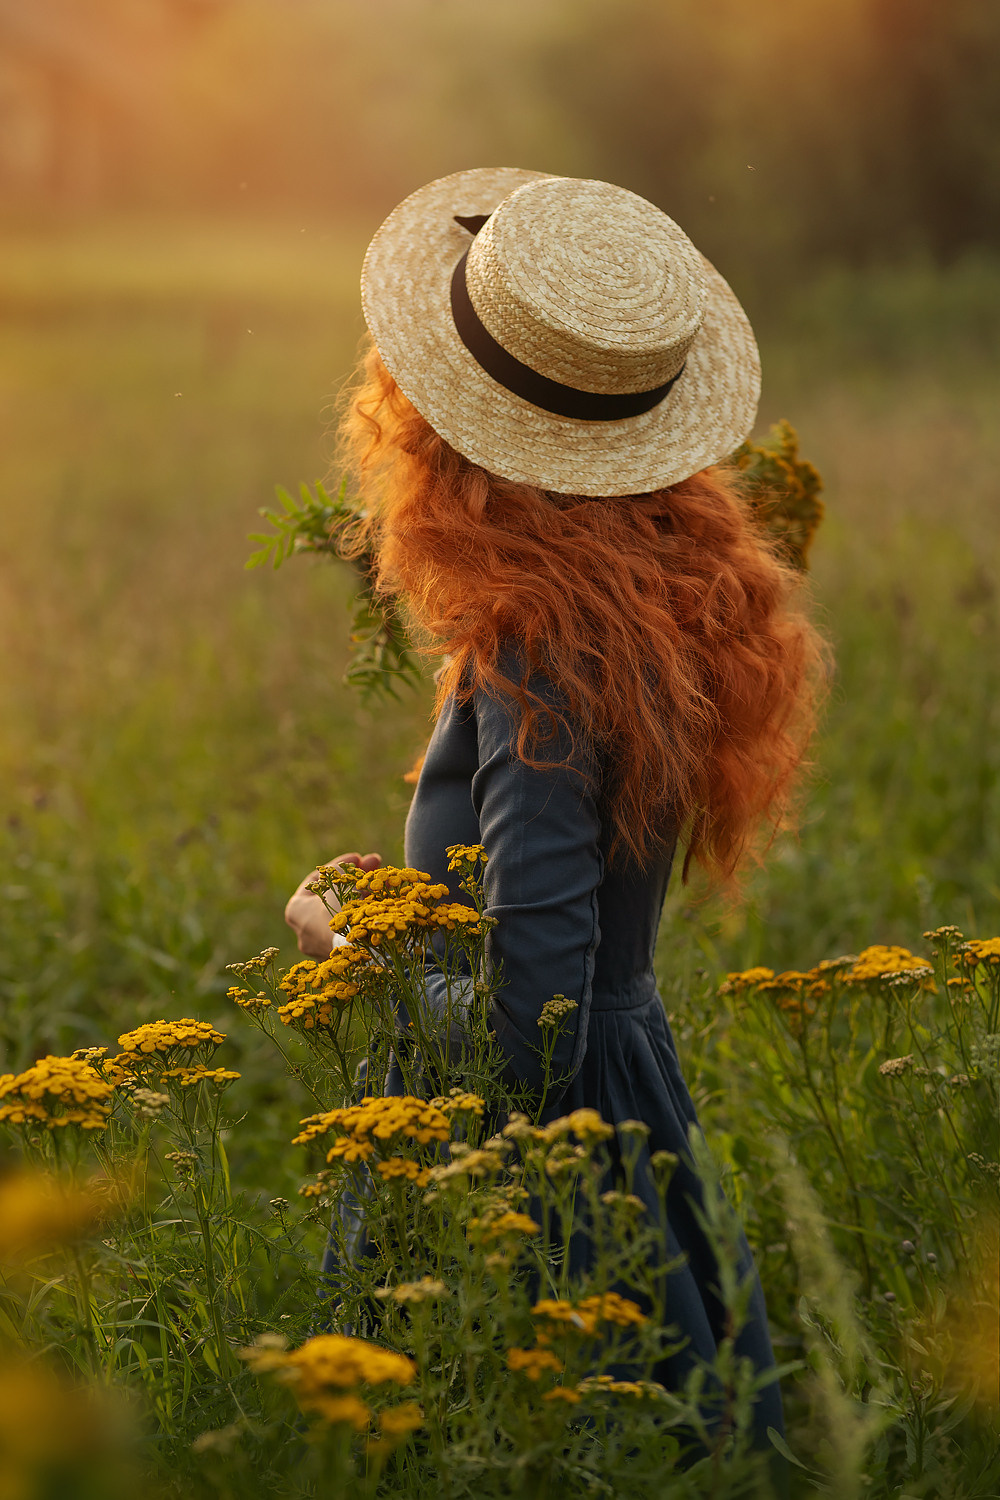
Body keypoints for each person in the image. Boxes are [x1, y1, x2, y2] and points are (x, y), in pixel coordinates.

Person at [285, 169, 824, 1488]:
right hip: (626, 1097)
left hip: (540, 1147)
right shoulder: (650, 600)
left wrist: (349, 941)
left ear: (441, 435)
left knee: (537, 1431)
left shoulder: (535, 652)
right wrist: (423, 893)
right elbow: (563, 913)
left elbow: (532, 1017)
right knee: (672, 1422)